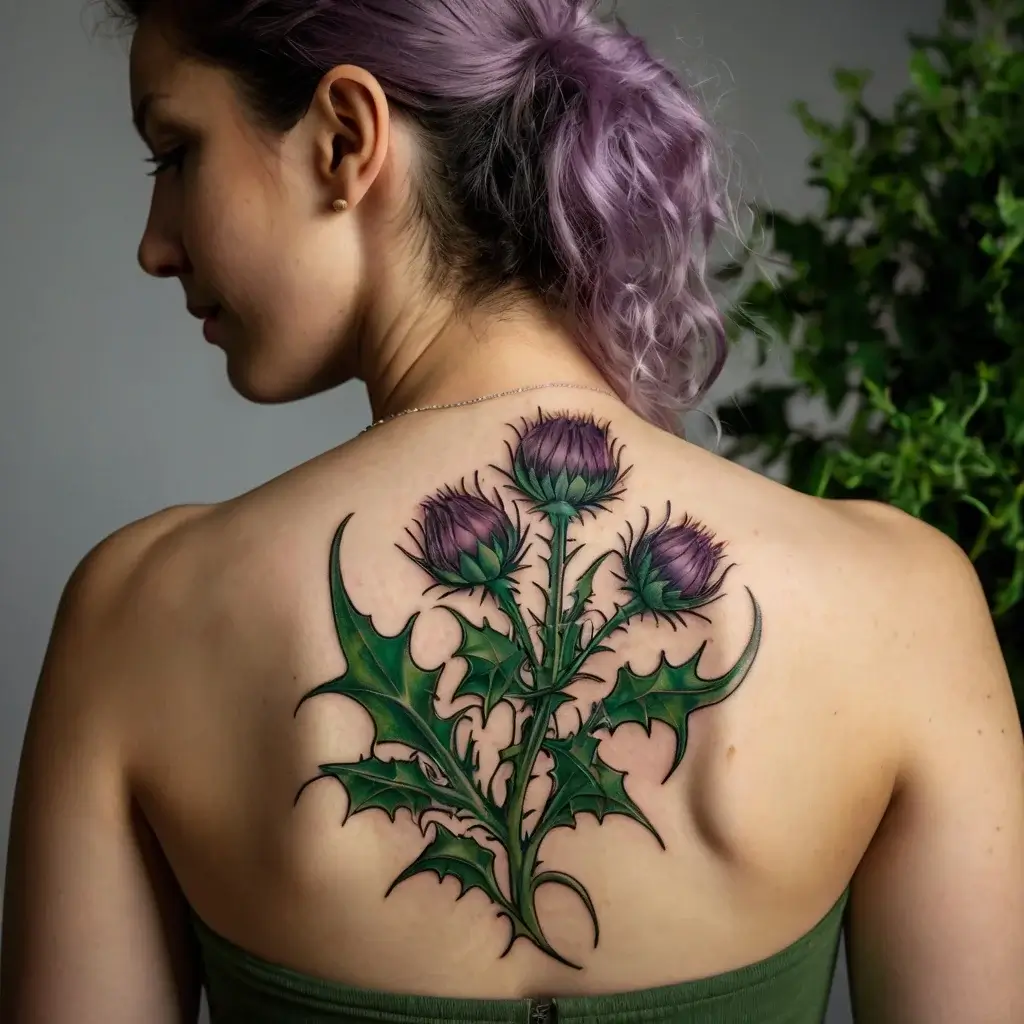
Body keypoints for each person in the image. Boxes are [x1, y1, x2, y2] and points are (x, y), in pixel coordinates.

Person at [2, 1, 1022, 1021]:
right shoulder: (904, 606)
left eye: (176, 152)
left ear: (345, 138)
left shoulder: (138, 616)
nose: (155, 245)